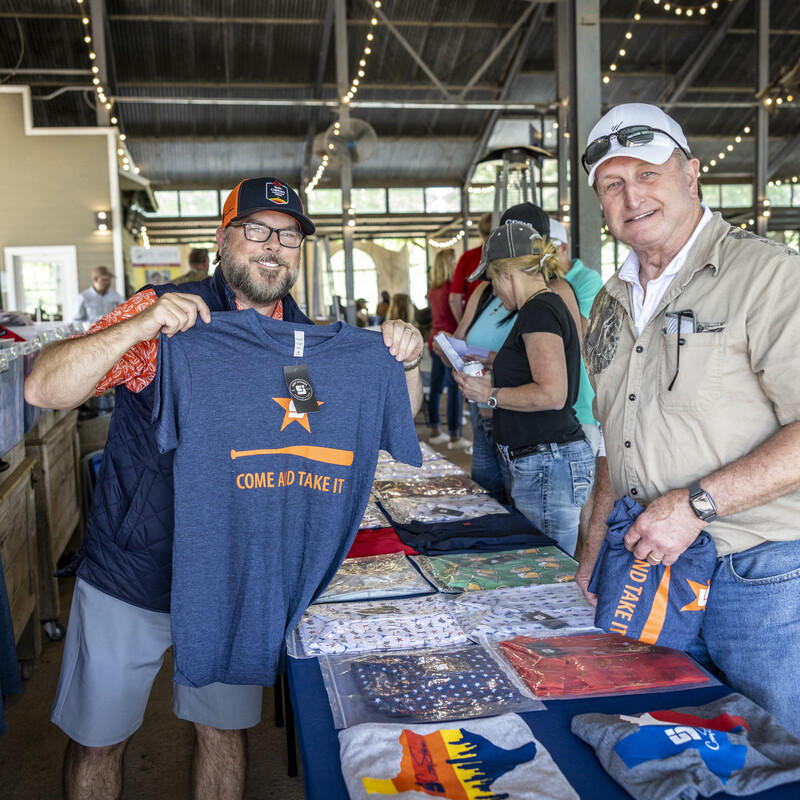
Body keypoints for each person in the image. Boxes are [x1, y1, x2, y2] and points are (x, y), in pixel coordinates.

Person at [24, 175, 423, 800]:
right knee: (98, 738)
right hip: (134, 569)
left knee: (223, 732)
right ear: (223, 238)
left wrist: (405, 362)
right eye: (257, 230)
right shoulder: (164, 317)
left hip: (234, 576)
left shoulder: (298, 346)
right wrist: (137, 326)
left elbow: (355, 427)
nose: (273, 247)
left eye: (288, 236)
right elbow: (43, 387)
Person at [576, 102, 800, 737]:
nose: (632, 197)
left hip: (758, 576)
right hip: (649, 568)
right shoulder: (612, 302)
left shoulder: (768, 275)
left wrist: (697, 505)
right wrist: (592, 547)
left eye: (647, 174)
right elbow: (613, 438)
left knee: (778, 753)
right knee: (674, 744)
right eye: (612, 185)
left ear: (691, 173)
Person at [454, 222, 595, 555]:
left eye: (492, 281)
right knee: (545, 564)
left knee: (547, 567)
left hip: (547, 460)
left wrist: (488, 394)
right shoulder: (542, 306)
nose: (494, 293)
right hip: (546, 460)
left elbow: (552, 394)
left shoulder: (537, 310)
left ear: (506, 274)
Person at [426, 249, 469, 451]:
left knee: (436, 388)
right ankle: (454, 435)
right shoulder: (452, 289)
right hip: (451, 340)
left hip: (434, 339)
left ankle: (435, 429)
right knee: (454, 389)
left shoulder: (432, 290)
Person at [449, 212, 492, 322]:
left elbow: (454, 299)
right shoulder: (506, 257)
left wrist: (463, 324)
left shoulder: (467, 257)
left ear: (480, 231)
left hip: (474, 319)